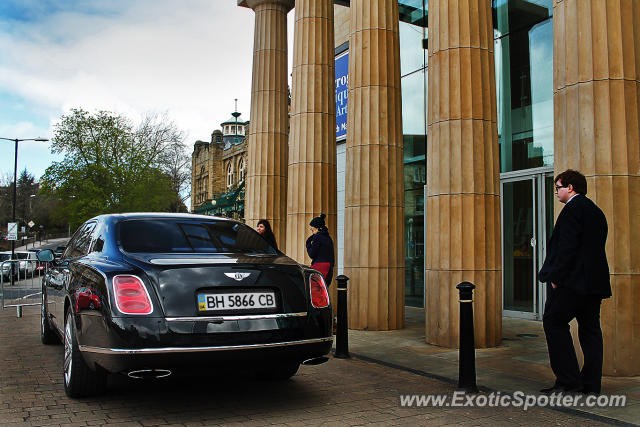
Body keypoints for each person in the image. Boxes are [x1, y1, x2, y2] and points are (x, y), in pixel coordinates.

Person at [538, 169, 611, 394]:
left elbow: (567, 248)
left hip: (572, 283)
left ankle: (568, 382)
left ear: (570, 187)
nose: (557, 192)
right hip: (594, 284)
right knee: (590, 330)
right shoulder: (596, 211)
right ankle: (590, 384)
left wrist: (556, 278)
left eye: (558, 187)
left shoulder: (572, 210)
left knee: (553, 322)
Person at [306, 213, 335, 286]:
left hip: (320, 266)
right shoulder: (328, 238)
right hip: (329, 267)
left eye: (312, 226)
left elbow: (312, 254)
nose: (310, 228)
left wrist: (308, 243)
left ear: (317, 227)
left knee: (314, 289)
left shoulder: (318, 237)